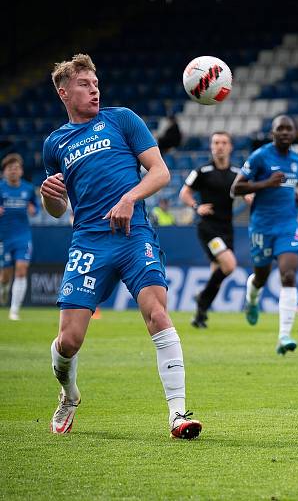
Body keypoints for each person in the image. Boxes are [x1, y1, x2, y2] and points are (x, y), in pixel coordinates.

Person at [39, 54, 201, 438]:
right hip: (89, 243)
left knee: (158, 315)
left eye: (95, 82)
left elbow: (161, 173)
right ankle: (69, 394)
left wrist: (130, 198)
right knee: (69, 341)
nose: (94, 89)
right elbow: (59, 208)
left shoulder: (122, 119)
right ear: (64, 92)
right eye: (84, 84)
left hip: (135, 236)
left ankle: (178, 414)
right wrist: (49, 196)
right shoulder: (55, 144)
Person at [231, 115, 298, 355]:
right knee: (261, 276)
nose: (285, 132)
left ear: (294, 133)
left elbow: (287, 190)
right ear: (272, 133)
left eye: (289, 129)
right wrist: (265, 184)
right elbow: (235, 188)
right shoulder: (260, 157)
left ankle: (284, 336)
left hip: (288, 224)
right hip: (262, 226)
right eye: (281, 129)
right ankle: (252, 299)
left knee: (289, 274)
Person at [179, 131, 241, 329]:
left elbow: (247, 191)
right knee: (229, 265)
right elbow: (184, 192)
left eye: (224, 142)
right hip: (208, 228)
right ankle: (202, 298)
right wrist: (196, 207)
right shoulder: (202, 171)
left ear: (230, 147)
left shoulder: (237, 173)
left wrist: (249, 196)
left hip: (227, 228)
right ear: (211, 146)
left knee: (217, 275)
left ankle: (200, 314)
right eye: (216, 142)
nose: (220, 146)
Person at [0, 153, 39, 320]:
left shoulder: (28, 189)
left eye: (16, 168)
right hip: (4, 237)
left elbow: (36, 208)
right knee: (5, 276)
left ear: (21, 171)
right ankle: (4, 289)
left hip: (23, 236)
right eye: (10, 169)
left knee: (22, 270)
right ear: (4, 172)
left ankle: (14, 310)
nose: (13, 171)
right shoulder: (1, 188)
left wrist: (33, 210)